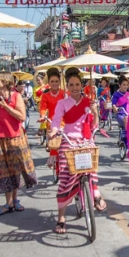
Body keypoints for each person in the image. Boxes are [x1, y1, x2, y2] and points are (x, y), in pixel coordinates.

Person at [49, 68, 103, 234]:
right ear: (67, 87)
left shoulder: (89, 102)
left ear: (82, 85)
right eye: (71, 84)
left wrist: (95, 111)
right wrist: (53, 130)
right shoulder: (62, 103)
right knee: (65, 174)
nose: (74, 87)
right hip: (69, 140)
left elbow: (95, 125)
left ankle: (95, 193)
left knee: (92, 165)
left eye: (77, 84)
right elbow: (57, 121)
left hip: (86, 139)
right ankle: (61, 217)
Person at [0, 71, 37, 216]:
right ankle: (8, 203)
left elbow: (21, 116)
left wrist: (5, 106)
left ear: (6, 82)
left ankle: (15, 200)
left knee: (15, 170)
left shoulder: (16, 96)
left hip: (15, 138)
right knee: (4, 172)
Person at [38, 68, 67, 168]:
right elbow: (43, 108)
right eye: (52, 81)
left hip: (65, 121)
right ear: (49, 83)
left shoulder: (64, 94)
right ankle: (53, 157)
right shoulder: (45, 95)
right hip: (52, 121)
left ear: (60, 82)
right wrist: (42, 116)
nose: (54, 83)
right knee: (54, 142)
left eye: (56, 81)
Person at [112, 75, 129, 147]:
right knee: (126, 120)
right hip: (121, 114)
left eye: (127, 85)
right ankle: (124, 139)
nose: (125, 86)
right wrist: (115, 108)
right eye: (124, 85)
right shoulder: (116, 95)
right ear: (119, 85)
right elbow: (113, 104)